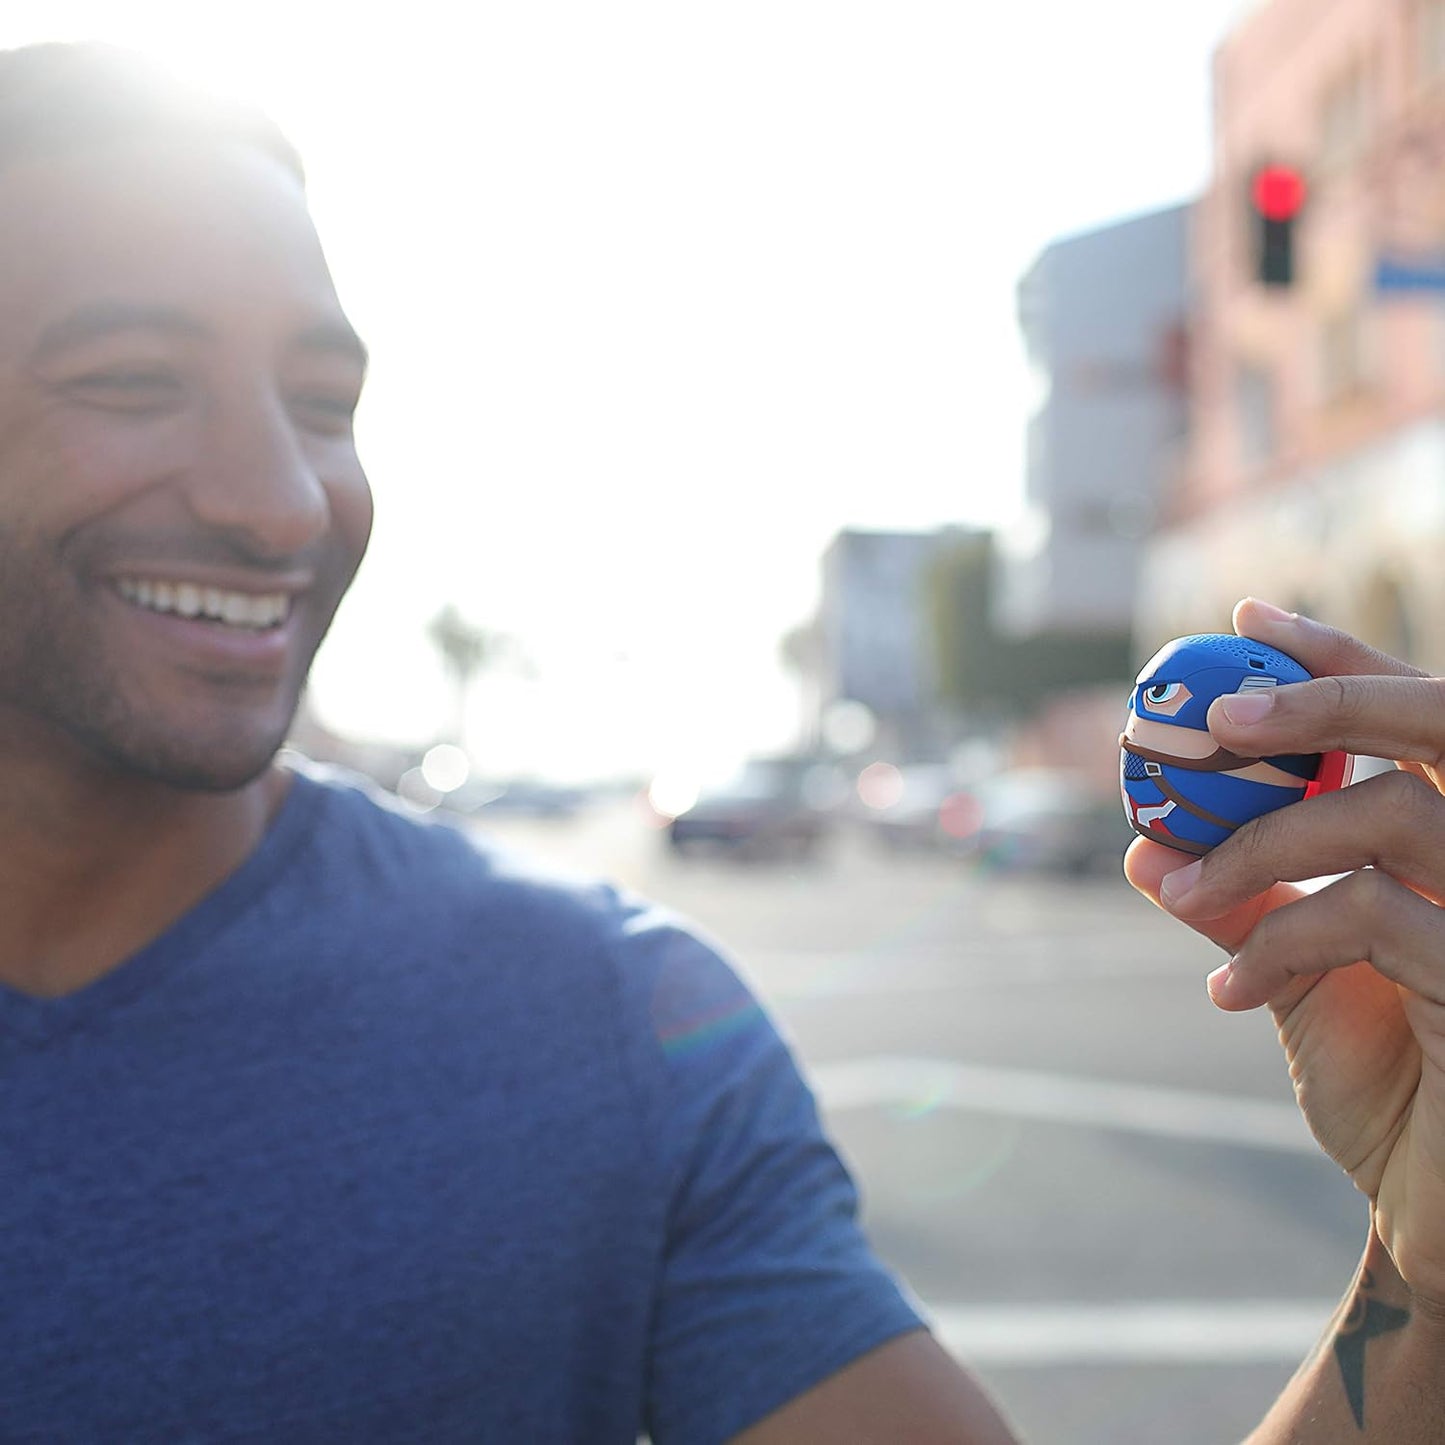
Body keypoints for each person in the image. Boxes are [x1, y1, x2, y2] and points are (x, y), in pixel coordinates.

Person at [0, 39, 1439, 1445]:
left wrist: (1424, 1280)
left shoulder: (604, 1029)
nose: (282, 503)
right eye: (130, 378)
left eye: (323, 404)